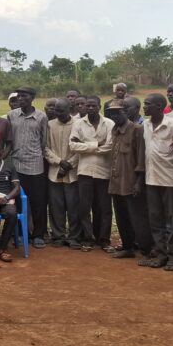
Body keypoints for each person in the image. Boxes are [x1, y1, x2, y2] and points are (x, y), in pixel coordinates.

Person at [104, 99, 151, 263]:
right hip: (117, 181)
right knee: (122, 216)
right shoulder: (114, 130)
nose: (115, 115)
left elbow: (141, 158)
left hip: (131, 182)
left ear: (127, 112)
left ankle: (146, 251)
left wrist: (139, 182)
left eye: (118, 112)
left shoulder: (137, 130)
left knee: (138, 218)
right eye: (112, 113)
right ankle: (128, 247)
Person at [142, 93, 173, 271]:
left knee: (172, 219)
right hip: (151, 178)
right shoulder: (145, 124)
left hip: (171, 178)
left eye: (148, 104)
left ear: (159, 107)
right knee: (155, 218)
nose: (144, 107)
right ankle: (161, 253)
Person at [69, 95, 115, 252]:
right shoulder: (78, 123)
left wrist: (86, 145)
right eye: (87, 106)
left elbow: (110, 146)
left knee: (104, 208)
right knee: (84, 207)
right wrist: (97, 145)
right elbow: (73, 146)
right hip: (85, 171)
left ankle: (104, 240)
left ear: (99, 106)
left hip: (104, 171)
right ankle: (88, 239)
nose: (90, 108)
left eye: (93, 106)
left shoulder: (109, 123)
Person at [7, 86, 49, 249]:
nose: (20, 99)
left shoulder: (41, 117)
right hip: (17, 164)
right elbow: (9, 141)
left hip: (35, 164)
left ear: (32, 98)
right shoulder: (12, 116)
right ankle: (18, 233)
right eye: (18, 96)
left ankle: (38, 234)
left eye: (24, 96)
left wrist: (37, 154)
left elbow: (44, 141)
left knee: (38, 202)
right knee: (17, 200)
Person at [44, 99, 79, 248]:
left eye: (61, 111)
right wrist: (59, 162)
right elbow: (45, 148)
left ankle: (74, 237)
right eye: (56, 111)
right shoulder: (50, 125)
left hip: (73, 172)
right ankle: (58, 235)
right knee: (55, 206)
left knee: (74, 207)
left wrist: (69, 164)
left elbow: (81, 148)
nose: (58, 114)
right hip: (54, 172)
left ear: (69, 110)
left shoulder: (78, 124)